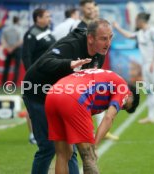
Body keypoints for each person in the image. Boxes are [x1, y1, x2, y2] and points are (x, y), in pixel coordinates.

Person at [22, 19, 113, 174]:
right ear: (90, 38)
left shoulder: (99, 54)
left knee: (71, 147)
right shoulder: (71, 45)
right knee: (48, 148)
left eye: (111, 37)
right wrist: (69, 64)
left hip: (62, 98)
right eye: (104, 38)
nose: (108, 43)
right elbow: (43, 63)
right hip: (38, 94)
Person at [45, 69, 140, 174]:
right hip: (74, 97)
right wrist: (94, 145)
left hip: (52, 94)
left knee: (63, 154)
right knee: (89, 156)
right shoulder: (124, 89)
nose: (120, 107)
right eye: (124, 106)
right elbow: (109, 117)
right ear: (131, 95)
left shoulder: (105, 83)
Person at [113, 12, 154, 124]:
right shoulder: (139, 33)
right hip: (145, 65)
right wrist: (117, 27)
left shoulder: (153, 32)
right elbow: (129, 35)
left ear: (141, 21)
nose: (135, 22)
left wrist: (153, 62)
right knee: (149, 91)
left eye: (136, 20)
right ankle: (151, 116)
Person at [21, 8, 57, 145]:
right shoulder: (31, 34)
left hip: (48, 75)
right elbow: (26, 55)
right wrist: (31, 74)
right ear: (38, 18)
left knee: (48, 104)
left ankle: (47, 131)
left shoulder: (47, 31)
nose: (49, 19)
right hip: (36, 76)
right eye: (47, 16)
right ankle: (32, 134)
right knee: (32, 105)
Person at [1, 16, 22, 86]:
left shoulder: (6, 29)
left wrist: (8, 48)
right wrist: (13, 48)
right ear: (18, 21)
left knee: (6, 66)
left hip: (9, 49)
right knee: (16, 67)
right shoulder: (20, 29)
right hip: (17, 49)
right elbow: (20, 41)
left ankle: (3, 83)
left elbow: (3, 40)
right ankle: (14, 84)